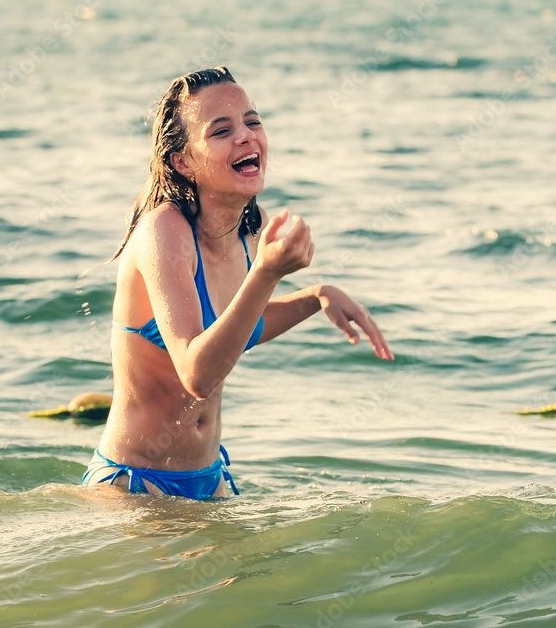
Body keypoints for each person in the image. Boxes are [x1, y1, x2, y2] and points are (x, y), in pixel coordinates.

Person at [82, 66, 393, 500]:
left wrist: (315, 297)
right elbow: (197, 373)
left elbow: (237, 328)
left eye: (253, 121)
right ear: (183, 161)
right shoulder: (164, 232)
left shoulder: (250, 229)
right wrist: (267, 272)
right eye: (221, 130)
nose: (246, 136)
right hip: (136, 486)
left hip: (211, 478)